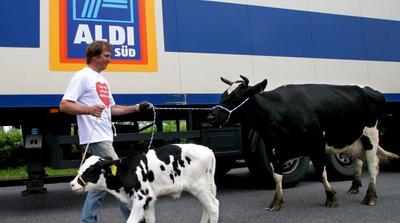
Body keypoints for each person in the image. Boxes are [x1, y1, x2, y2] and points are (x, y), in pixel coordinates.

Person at [60, 40, 150, 223]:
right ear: (94, 56)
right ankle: (137, 220)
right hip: (96, 140)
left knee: (100, 185)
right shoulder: (82, 76)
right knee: (119, 181)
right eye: (107, 56)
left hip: (104, 138)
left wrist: (136, 108)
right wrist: (89, 110)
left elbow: (112, 109)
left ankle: (87, 220)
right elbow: (64, 105)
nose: (110, 60)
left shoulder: (102, 80)